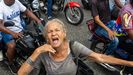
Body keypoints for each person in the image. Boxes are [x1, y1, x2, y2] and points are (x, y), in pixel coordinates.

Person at [18, 18, 133, 75]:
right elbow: (21, 73)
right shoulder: (43, 53)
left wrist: (129, 63)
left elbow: (100, 57)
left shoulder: (73, 46)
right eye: (50, 32)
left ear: (64, 34)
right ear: (47, 37)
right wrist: (37, 51)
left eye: (57, 30)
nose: (53, 33)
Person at [0, 0, 42, 73]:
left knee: (33, 41)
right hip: (7, 31)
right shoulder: (1, 7)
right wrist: (12, 33)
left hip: (19, 28)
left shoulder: (16, 2)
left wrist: (37, 20)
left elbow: (27, 11)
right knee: (12, 46)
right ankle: (11, 63)